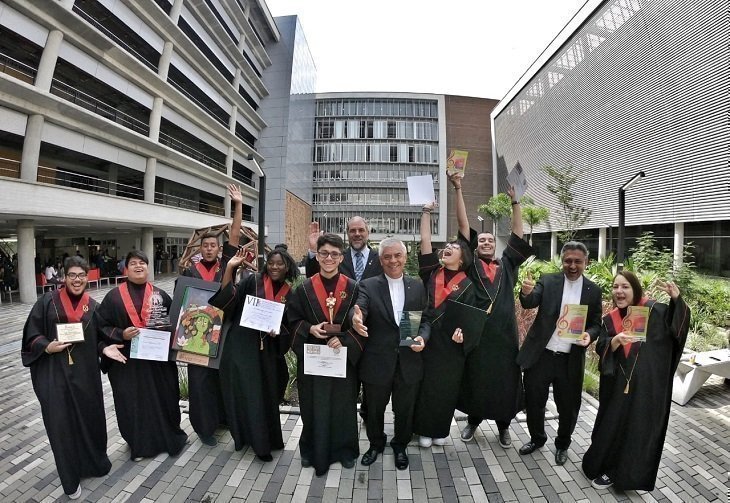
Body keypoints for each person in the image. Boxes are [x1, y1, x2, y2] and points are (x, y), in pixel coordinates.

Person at [583, 271, 690, 491]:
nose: (619, 292)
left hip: (647, 390)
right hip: (617, 388)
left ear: (635, 289)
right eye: (615, 287)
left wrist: (677, 300)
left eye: (625, 287)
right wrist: (614, 341)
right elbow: (602, 346)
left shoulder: (655, 311)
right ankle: (605, 466)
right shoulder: (609, 319)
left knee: (636, 433)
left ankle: (622, 476)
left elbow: (677, 330)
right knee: (611, 428)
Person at [452, 172, 534, 447]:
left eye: (490, 240)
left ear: (495, 244)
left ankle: (503, 426)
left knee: (504, 382)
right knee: (476, 378)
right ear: (475, 246)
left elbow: (518, 235)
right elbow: (463, 225)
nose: (486, 242)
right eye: (481, 240)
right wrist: (459, 188)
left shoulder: (507, 263)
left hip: (504, 336)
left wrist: (516, 203)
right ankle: (473, 422)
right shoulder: (469, 265)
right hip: (479, 335)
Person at [21, 257, 113, 499]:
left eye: (81, 275)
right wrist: (46, 346)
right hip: (54, 375)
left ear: (87, 277)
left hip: (85, 376)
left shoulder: (92, 306)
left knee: (89, 420)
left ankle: (91, 463)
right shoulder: (47, 302)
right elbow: (31, 334)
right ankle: (70, 480)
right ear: (64, 277)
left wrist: (105, 348)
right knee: (61, 427)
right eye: (72, 275)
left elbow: (102, 336)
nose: (77, 280)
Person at [207, 244, 298, 461]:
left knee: (267, 395)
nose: (275, 267)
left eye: (280, 264)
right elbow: (228, 301)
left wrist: (280, 332)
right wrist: (229, 268)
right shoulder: (252, 281)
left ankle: (270, 438)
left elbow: (290, 324)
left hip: (268, 353)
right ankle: (257, 444)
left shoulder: (288, 293)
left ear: (287, 267)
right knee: (248, 395)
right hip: (242, 347)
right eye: (271, 263)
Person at [95, 250, 187, 461]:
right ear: (125, 269)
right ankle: (139, 445)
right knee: (133, 404)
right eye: (133, 263)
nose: (138, 266)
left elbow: (173, 324)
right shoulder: (113, 297)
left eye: (143, 263)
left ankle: (169, 438)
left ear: (148, 268)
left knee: (164, 398)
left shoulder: (159, 295)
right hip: (128, 364)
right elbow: (101, 326)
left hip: (157, 362)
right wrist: (121, 333)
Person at [516, 242, 602, 465]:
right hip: (542, 354)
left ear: (586, 263)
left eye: (577, 261)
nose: (572, 265)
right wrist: (525, 292)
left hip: (569, 359)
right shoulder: (549, 280)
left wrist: (589, 336)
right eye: (568, 261)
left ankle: (563, 444)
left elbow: (596, 323)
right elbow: (530, 301)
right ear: (562, 261)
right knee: (535, 401)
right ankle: (537, 438)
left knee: (568, 405)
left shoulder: (593, 290)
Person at [288, 233, 362, 476]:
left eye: (334, 254)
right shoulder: (304, 288)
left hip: (342, 358)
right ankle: (312, 451)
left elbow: (360, 323)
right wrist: (309, 328)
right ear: (317, 256)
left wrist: (343, 340)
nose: (329, 258)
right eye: (324, 253)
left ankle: (345, 450)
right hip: (314, 359)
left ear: (341, 257)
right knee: (313, 406)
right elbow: (291, 320)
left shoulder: (352, 288)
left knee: (344, 405)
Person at [351, 237, 428, 470]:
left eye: (397, 256)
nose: (392, 260)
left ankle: (400, 445)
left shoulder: (417, 285)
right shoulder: (369, 285)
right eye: (387, 256)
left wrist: (423, 337)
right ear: (380, 259)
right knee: (373, 409)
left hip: (408, 358)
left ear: (405, 258)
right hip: (377, 361)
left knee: (404, 409)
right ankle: (375, 444)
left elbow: (424, 319)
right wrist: (357, 318)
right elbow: (361, 307)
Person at [179, 184, 244, 446]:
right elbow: (181, 306)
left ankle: (224, 419)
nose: (209, 249)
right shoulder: (188, 272)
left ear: (219, 249)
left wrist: (238, 205)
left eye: (213, 246)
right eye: (205, 246)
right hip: (197, 336)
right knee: (199, 383)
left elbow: (235, 234)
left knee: (222, 378)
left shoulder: (225, 265)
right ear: (199, 249)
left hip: (223, 331)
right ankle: (204, 428)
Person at [412, 202, 475, 448]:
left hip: (451, 343)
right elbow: (425, 241)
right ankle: (422, 429)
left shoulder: (469, 284)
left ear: (462, 259)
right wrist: (426, 212)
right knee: (425, 385)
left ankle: (440, 430)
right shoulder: (431, 272)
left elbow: (470, 317)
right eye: (447, 246)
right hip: (425, 337)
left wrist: (464, 333)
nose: (448, 248)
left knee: (446, 388)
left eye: (455, 247)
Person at [304, 217, 383, 281]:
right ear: (347, 233)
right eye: (352, 231)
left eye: (361, 230)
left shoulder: (380, 258)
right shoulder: (336, 257)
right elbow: (314, 278)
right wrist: (314, 250)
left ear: (368, 233)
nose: (357, 234)